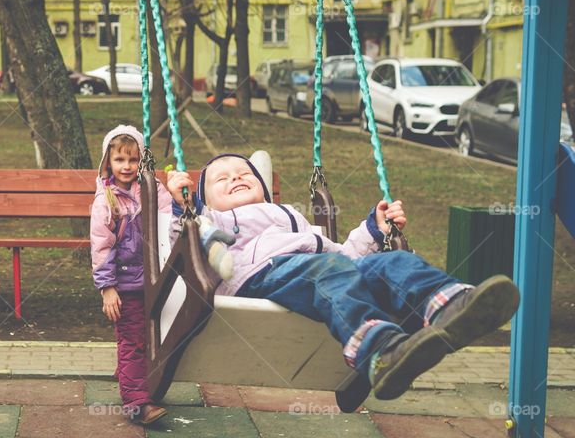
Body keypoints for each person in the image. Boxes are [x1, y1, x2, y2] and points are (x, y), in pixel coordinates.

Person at [166, 153, 520, 400]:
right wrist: (183, 209)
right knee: (329, 272)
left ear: (262, 187)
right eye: (221, 178)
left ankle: (450, 304)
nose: (236, 178)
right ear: (206, 200)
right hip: (258, 276)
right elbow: (182, 240)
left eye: (244, 173)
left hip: (322, 268)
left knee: (390, 262)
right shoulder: (213, 221)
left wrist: (374, 231)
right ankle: (378, 352)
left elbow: (342, 255)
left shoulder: (291, 216)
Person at [91, 125, 173, 424]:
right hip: (125, 284)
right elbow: (101, 248)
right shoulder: (107, 201)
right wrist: (107, 288)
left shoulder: (152, 188)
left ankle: (132, 377)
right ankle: (137, 404)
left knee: (153, 339)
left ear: (142, 161)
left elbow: (169, 220)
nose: (127, 167)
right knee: (132, 341)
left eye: (133, 160)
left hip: (155, 278)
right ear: (108, 163)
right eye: (120, 160)